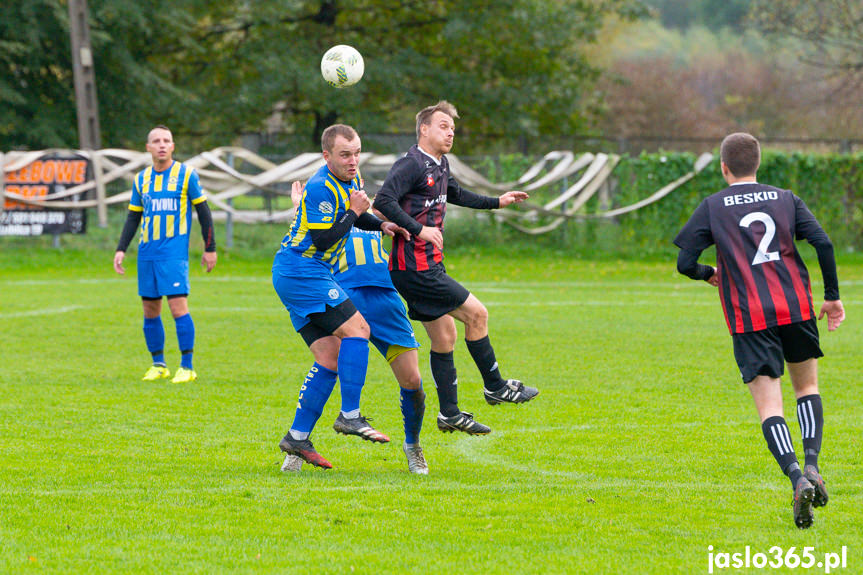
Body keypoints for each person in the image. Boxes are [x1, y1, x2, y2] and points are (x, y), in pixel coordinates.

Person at [674, 132, 845, 529]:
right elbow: (823, 243)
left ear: (723, 167)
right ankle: (813, 465)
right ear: (758, 163)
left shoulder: (713, 206)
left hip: (749, 315)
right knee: (807, 388)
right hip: (796, 307)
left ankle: (795, 477)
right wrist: (832, 297)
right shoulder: (786, 198)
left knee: (771, 406)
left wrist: (708, 273)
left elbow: (684, 262)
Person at [373, 101, 539, 436]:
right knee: (477, 314)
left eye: (452, 128)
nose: (450, 133)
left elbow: (456, 193)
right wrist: (419, 230)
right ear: (424, 129)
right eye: (443, 126)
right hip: (415, 267)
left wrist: (498, 201)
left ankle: (449, 413)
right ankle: (495, 386)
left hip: (428, 265)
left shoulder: (439, 164)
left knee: (445, 336)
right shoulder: (410, 164)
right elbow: (384, 202)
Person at [272, 124, 407, 470]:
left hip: (304, 273)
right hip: (302, 270)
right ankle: (350, 415)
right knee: (358, 330)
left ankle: (297, 438)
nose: (353, 160)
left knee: (329, 357)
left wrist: (383, 225)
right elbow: (323, 241)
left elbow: (358, 216)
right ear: (326, 155)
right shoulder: (319, 186)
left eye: (357, 152)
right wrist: (353, 210)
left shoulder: (352, 179)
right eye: (345, 154)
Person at [281, 181, 429, 475]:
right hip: (341, 293)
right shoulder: (329, 212)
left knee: (412, 380)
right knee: (327, 363)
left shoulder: (372, 215)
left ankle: (412, 446)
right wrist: (299, 206)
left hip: (384, 299)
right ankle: (298, 442)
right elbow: (309, 236)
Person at [114, 125, 217, 384]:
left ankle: (187, 365)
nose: (162, 144)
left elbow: (204, 213)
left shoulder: (186, 175)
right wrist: (121, 249)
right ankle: (158, 364)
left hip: (173, 253)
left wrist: (210, 248)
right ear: (148, 147)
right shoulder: (141, 179)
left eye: (166, 140)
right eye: (156, 141)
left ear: (173, 146)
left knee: (177, 306)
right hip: (146, 253)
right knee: (150, 309)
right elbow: (133, 216)